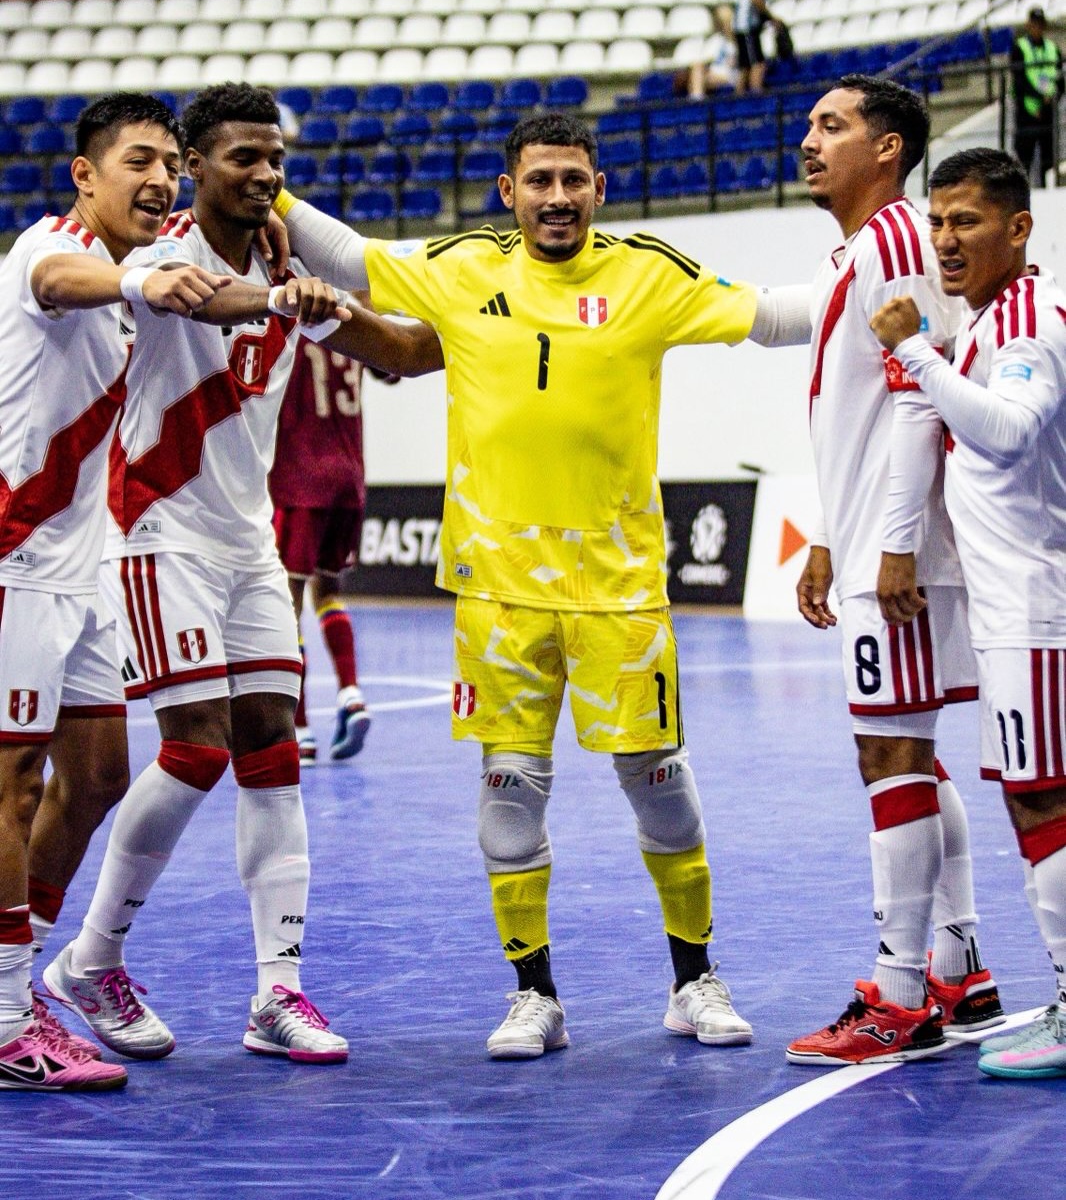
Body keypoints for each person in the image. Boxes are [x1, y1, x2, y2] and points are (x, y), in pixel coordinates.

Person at [273, 110, 818, 1060]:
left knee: (659, 787)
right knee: (509, 794)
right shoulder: (460, 266)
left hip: (622, 590)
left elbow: (774, 315)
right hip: (497, 591)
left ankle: (693, 978)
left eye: (574, 179)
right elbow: (355, 258)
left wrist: (894, 278)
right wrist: (265, 192)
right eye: (540, 181)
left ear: (600, 189)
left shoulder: (651, 272)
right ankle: (536, 996)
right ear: (508, 191)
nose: (557, 197)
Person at [45, 83, 443, 1066]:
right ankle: (90, 957)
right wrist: (286, 297)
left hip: (245, 541)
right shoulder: (159, 246)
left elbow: (393, 344)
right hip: (154, 530)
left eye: (275, 160)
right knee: (197, 748)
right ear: (193, 163)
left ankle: (279, 990)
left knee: (274, 747)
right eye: (241, 159)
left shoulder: (284, 250)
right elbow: (205, 296)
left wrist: (486, 330)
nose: (265, 175)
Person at [0, 92, 244, 1091]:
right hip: (14, 560)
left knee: (97, 772)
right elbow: (68, 279)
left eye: (171, 166)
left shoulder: (141, 280)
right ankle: (7, 1017)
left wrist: (288, 296)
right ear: (84, 175)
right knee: (11, 785)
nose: (160, 180)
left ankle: (23, 975)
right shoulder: (45, 253)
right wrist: (139, 273)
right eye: (139, 160)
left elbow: (198, 296)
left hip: (82, 567)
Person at [785, 76, 1003, 1066]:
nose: (809, 137)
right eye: (810, 123)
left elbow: (919, 396)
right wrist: (831, 532)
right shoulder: (864, 250)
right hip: (877, 534)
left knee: (890, 756)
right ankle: (957, 965)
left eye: (832, 125)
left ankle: (899, 993)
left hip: (903, 547)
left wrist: (895, 539)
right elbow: (860, 409)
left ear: (888, 149)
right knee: (907, 748)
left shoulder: (898, 242)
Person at [871, 147, 1066, 1081]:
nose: (946, 240)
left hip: (1034, 605)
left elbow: (1013, 429)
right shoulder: (993, 319)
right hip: (1017, 605)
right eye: (937, 221)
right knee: (1037, 800)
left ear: (1017, 228)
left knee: (1043, 800)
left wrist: (913, 350)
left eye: (968, 222)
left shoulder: (1028, 320)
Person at [270, 344, 372, 764]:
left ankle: (299, 728)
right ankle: (350, 692)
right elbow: (389, 370)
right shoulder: (351, 315)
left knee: (285, 605)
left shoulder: (291, 315)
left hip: (301, 477)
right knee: (328, 588)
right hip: (349, 477)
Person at [1010, 6, 1064, 187]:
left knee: (1048, 157)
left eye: (1040, 24)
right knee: (1025, 157)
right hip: (1028, 111)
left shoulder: (1052, 49)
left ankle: (1046, 188)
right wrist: (1039, 98)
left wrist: (1050, 98)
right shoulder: (1020, 48)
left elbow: (1060, 79)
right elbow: (1019, 81)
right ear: (1028, 25)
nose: (1037, 28)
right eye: (1034, 24)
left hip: (1048, 111)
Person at [733, 0, 783, 95]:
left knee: (746, 66)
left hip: (743, 24)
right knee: (757, 64)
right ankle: (756, 97)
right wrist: (770, 16)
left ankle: (739, 98)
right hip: (747, 25)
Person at [685, 4, 740, 100]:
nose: (726, 25)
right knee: (697, 69)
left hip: (731, 76)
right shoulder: (716, 40)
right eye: (723, 22)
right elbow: (704, 60)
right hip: (714, 74)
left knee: (697, 79)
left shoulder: (740, 42)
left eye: (728, 21)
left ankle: (697, 103)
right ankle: (697, 101)